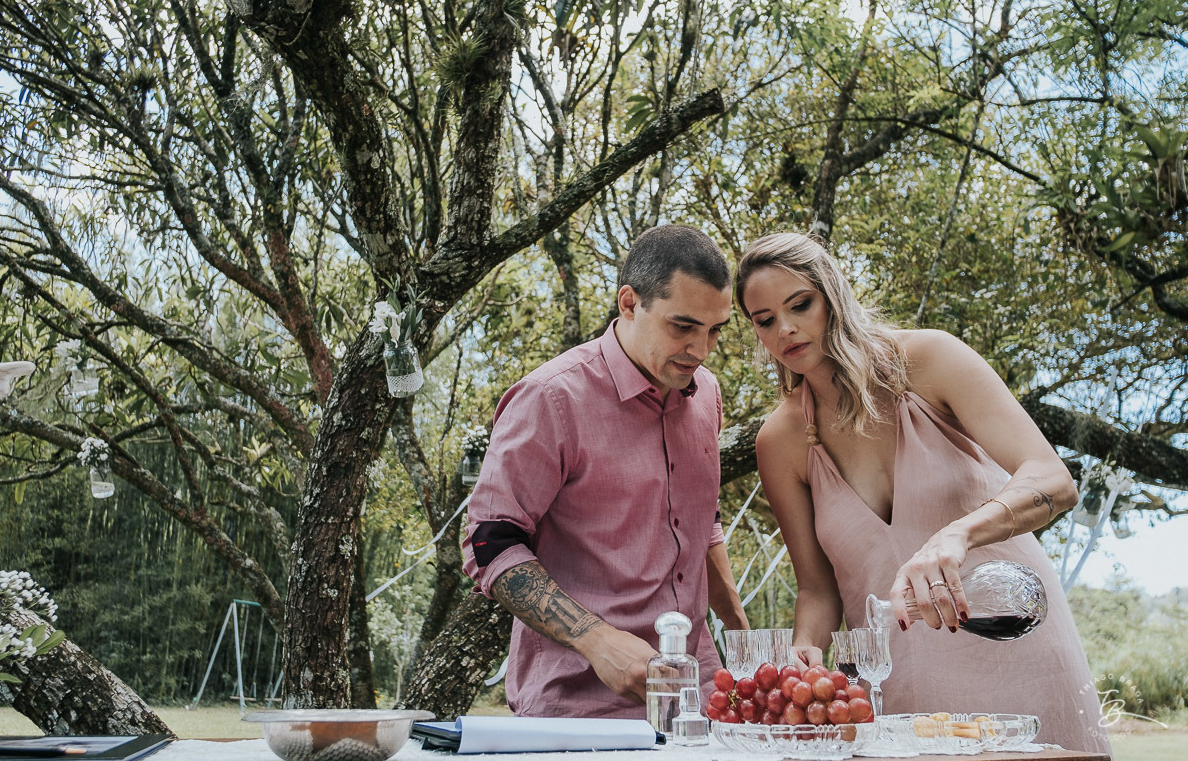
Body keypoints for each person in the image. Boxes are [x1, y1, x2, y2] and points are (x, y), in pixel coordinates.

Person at [735, 232, 1110, 754]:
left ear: (833, 295)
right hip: (894, 687)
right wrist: (804, 651)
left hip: (1015, 646)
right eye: (765, 320)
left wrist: (958, 535)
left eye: (800, 305)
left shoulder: (930, 358)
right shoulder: (779, 441)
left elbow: (1052, 479)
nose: (786, 329)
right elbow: (817, 589)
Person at [462, 224, 750, 719]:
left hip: (698, 701)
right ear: (630, 303)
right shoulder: (551, 398)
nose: (701, 350)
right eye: (683, 327)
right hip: (578, 709)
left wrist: (743, 638)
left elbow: (702, 521)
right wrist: (596, 640)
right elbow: (489, 542)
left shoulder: (707, 393)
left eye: (715, 330)